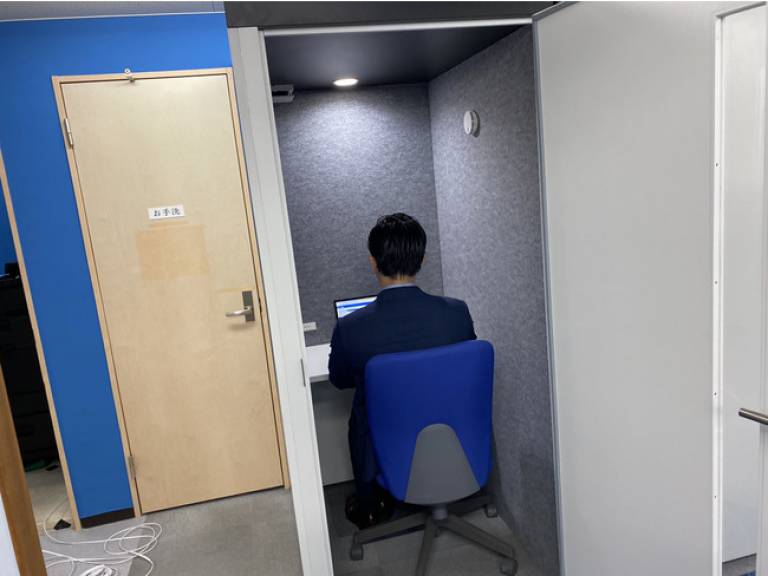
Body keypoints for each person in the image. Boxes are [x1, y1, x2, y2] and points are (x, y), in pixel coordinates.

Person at [328, 213, 476, 529]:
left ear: (373, 262)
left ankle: (369, 504)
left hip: (390, 447)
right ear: (422, 259)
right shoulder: (457, 313)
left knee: (361, 404)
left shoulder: (351, 328)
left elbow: (339, 380)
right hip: (456, 438)